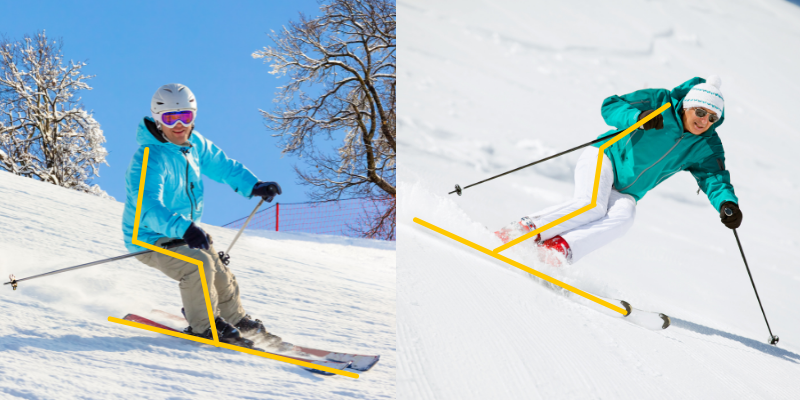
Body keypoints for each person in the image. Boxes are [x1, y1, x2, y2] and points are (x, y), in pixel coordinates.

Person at [496, 75, 741, 266]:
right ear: (688, 106)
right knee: (591, 205)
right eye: (700, 112)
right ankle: (520, 230)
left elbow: (714, 176)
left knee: (624, 218)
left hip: (628, 189)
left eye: (712, 117)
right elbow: (611, 105)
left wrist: (727, 204)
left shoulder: (707, 144)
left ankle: (554, 253)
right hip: (605, 157)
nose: (704, 121)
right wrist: (637, 117)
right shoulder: (661, 102)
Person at [121, 83, 283, 346]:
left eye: (184, 116)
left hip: (185, 231)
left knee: (217, 267)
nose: (178, 125)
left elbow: (222, 165)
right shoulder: (149, 157)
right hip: (148, 236)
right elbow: (147, 206)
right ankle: (204, 326)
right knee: (198, 265)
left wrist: (253, 185)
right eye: (169, 118)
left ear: (193, 117)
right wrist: (182, 228)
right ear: (157, 119)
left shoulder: (194, 145)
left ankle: (235, 319)